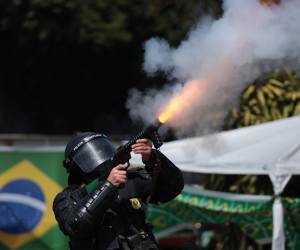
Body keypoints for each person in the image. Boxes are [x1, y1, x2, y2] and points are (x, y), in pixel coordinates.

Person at [52, 132, 184, 250]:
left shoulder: (129, 181)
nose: (100, 155)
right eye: (93, 152)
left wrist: (152, 158)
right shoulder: (67, 198)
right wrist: (108, 185)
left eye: (102, 149)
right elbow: (75, 226)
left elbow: (172, 188)